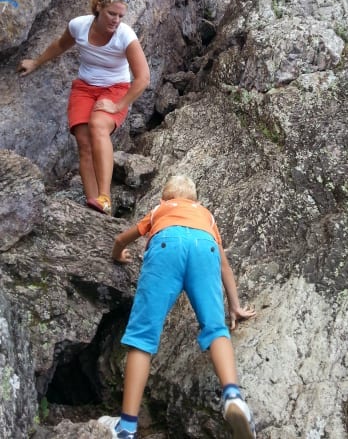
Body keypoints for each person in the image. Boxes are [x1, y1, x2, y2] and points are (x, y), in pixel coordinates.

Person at [98, 174, 256, 439]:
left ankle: (126, 427)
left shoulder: (161, 209)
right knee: (216, 328)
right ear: (195, 200)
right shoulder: (206, 215)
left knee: (142, 336)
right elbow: (224, 265)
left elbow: (120, 240)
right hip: (205, 249)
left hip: (166, 246)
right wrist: (235, 306)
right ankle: (233, 396)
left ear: (164, 197)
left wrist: (117, 255)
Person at [17, 0, 150, 215]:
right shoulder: (79, 25)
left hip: (115, 89)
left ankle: (105, 197)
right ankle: (94, 205)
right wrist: (36, 62)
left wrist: (118, 104)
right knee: (84, 142)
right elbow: (60, 44)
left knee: (98, 125)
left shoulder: (125, 35)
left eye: (120, 16)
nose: (116, 20)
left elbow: (143, 78)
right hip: (85, 88)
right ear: (99, 8)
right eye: (111, 14)